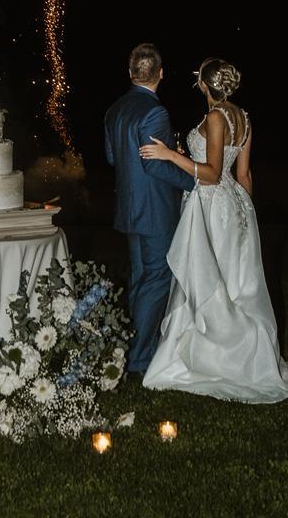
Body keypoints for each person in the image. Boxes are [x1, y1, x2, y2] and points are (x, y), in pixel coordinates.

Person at [138, 56, 288, 402]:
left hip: (212, 205)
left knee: (210, 279)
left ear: (204, 85)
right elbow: (244, 176)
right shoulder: (245, 118)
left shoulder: (216, 117)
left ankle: (217, 357)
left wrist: (169, 155)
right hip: (236, 205)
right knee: (231, 279)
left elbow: (210, 173)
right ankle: (234, 351)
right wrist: (244, 215)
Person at [104, 42, 194, 378]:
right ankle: (139, 360)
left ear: (130, 73)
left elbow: (114, 158)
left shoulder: (114, 110)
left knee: (142, 279)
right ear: (160, 73)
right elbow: (156, 166)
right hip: (154, 211)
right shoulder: (156, 112)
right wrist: (193, 182)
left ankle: (133, 350)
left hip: (129, 209)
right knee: (156, 280)